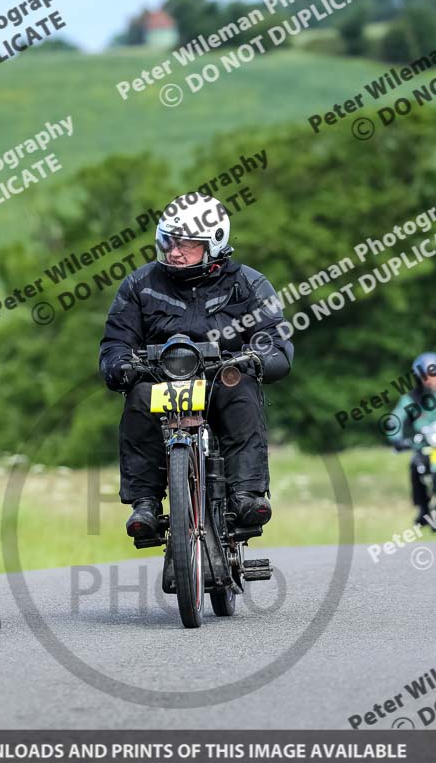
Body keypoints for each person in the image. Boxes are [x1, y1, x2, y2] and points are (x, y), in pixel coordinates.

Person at [99, 193, 294, 541]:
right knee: (139, 395)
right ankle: (144, 503)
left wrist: (258, 358)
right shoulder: (138, 285)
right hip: (161, 382)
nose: (175, 251)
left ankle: (247, 494)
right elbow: (116, 342)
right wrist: (119, 364)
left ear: (214, 243)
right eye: (168, 241)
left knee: (240, 386)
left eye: (186, 243)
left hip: (222, 379)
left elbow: (275, 342)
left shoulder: (249, 284)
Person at [388, 352, 436, 524]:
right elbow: (396, 419)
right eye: (425, 376)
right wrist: (396, 438)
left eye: (434, 375)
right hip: (424, 444)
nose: (430, 380)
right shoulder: (411, 398)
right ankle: (423, 508)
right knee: (415, 466)